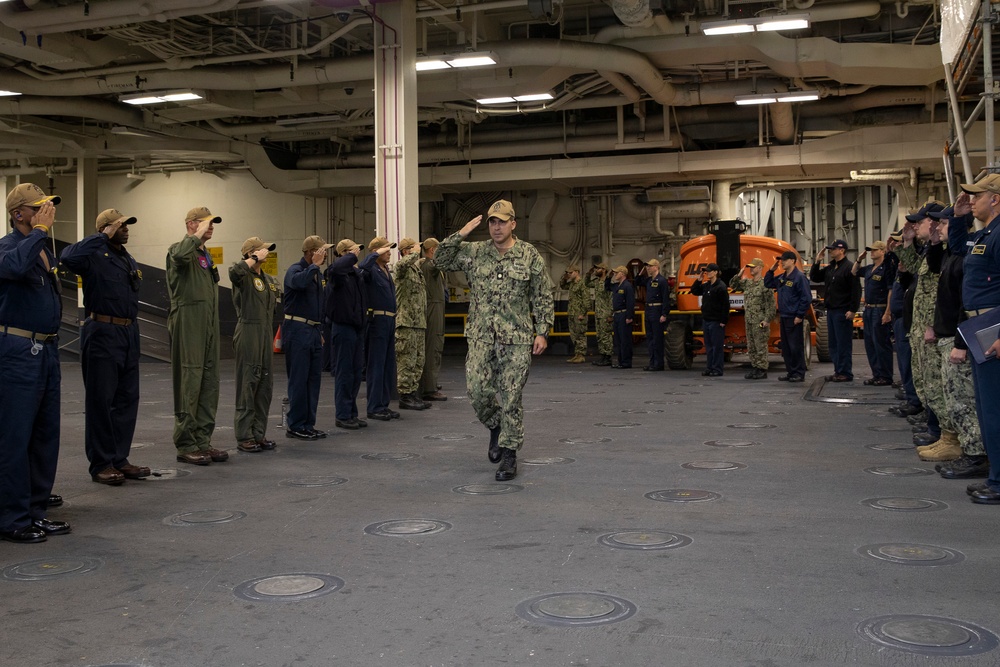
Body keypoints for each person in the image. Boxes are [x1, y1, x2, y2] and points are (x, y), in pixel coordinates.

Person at [434, 199, 554, 482]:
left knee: (511, 396)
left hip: (516, 338)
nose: (496, 227)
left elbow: (542, 294)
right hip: (481, 336)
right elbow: (439, 259)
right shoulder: (474, 252)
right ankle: (495, 425)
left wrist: (543, 330)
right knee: (476, 391)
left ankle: (510, 455)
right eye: (492, 222)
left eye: (502, 221)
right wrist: (460, 233)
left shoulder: (529, 254)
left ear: (513, 223)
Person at [0, 183, 70, 543]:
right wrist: (40, 232)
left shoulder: (43, 249)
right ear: (19, 214)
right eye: (39, 208)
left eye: (48, 206)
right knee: (15, 437)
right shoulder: (9, 247)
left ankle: (36, 512)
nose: (47, 212)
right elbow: (13, 268)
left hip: (46, 351)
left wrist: (41, 235)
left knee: (45, 436)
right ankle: (12, 517)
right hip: (16, 351)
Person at [60, 208, 147, 484]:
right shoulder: (93, 255)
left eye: (126, 224)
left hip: (128, 332)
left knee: (126, 399)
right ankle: (101, 463)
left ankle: (119, 458)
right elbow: (67, 258)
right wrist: (99, 238)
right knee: (101, 401)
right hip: (103, 332)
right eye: (120, 225)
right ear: (106, 228)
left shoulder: (127, 258)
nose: (126, 229)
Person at [922, 205, 985, 470]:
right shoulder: (951, 255)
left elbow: (965, 303)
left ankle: (976, 455)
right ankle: (956, 441)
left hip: (956, 336)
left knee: (963, 400)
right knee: (953, 398)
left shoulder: (964, 255)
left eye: (944, 225)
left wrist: (960, 341)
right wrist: (936, 241)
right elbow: (935, 266)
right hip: (946, 333)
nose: (939, 228)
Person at [952, 174, 1000, 504]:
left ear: (995, 198)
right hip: (979, 325)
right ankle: (995, 474)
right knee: (986, 408)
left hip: (994, 324)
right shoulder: (984, 233)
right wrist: (958, 219)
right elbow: (959, 251)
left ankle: (999, 481)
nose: (971, 201)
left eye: (977, 196)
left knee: (995, 408)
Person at [166, 206, 227, 466]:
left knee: (209, 381)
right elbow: (179, 256)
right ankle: (186, 443)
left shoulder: (205, 254)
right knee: (189, 381)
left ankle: (202, 440)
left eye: (213, 223)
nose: (210, 227)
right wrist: (195, 237)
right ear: (191, 224)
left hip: (209, 322)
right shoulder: (179, 248)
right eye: (205, 223)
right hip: (188, 320)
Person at [229, 237, 280, 452]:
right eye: (262, 251)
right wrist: (251, 259)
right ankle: (244, 435)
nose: (266, 254)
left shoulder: (268, 279)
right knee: (248, 383)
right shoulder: (243, 274)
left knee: (264, 384)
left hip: (265, 332)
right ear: (251, 253)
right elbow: (234, 273)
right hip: (248, 330)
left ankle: (258, 432)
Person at [283, 235, 331, 439]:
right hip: (297, 329)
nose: (326, 254)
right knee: (299, 379)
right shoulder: (296, 270)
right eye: (322, 251)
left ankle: (308, 423)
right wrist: (313, 267)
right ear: (312, 252)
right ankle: (295, 425)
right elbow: (298, 284)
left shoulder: (317, 274)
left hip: (312, 331)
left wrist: (319, 331)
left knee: (313, 380)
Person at [325, 239, 368, 430]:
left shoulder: (354, 274)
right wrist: (350, 255)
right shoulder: (337, 274)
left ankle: (351, 412)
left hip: (356, 327)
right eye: (351, 251)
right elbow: (336, 268)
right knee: (344, 372)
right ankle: (342, 415)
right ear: (343, 254)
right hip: (342, 327)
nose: (357, 253)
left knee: (356, 372)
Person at [360, 236, 400, 421]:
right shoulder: (371, 270)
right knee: (376, 365)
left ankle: (383, 404)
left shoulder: (385, 270)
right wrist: (375, 253)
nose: (389, 252)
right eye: (386, 249)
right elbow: (362, 267)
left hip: (390, 320)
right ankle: (374, 406)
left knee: (386, 364)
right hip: (377, 320)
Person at [810, 239, 861, 382]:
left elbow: (856, 291)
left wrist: (852, 310)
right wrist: (817, 261)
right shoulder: (831, 268)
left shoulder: (849, 267)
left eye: (833, 249)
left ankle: (845, 372)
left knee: (843, 343)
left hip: (843, 311)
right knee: (833, 344)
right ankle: (838, 371)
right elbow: (814, 277)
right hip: (832, 310)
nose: (830, 251)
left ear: (842, 250)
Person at [852, 240, 897, 385]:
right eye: (871, 250)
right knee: (870, 344)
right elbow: (853, 272)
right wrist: (859, 259)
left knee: (881, 343)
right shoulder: (869, 268)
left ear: (882, 251)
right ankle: (877, 374)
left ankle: (886, 375)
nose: (871, 252)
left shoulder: (887, 269)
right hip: (869, 309)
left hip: (880, 308)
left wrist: (888, 312)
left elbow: (891, 290)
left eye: (874, 250)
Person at [394, 237, 430, 410]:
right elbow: (400, 265)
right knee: (406, 360)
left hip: (418, 323)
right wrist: (414, 253)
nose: (419, 250)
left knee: (418, 360)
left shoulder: (416, 271)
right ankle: (405, 395)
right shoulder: (402, 269)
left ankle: (414, 393)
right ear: (406, 251)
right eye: (415, 248)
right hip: (406, 322)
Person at [764, 250, 811, 382]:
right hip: (784, 316)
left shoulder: (799, 278)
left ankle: (798, 373)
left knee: (795, 346)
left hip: (794, 317)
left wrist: (800, 315)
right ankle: (791, 372)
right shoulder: (782, 278)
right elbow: (767, 283)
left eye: (784, 260)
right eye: (781, 260)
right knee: (787, 347)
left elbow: (806, 298)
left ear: (792, 261)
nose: (782, 262)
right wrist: (771, 270)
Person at [729, 257, 776, 379]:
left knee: (760, 345)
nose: (751, 269)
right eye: (750, 267)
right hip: (749, 320)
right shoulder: (748, 283)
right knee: (751, 345)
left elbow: (770, 305)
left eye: (753, 267)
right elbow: (733, 285)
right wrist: (739, 274)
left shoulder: (765, 284)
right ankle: (755, 367)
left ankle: (762, 369)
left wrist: (767, 320)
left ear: (760, 268)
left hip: (760, 320)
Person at [419, 237, 448, 401]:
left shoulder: (428, 265)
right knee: (433, 347)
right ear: (432, 250)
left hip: (436, 305)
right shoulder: (429, 265)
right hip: (433, 307)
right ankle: (429, 388)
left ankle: (430, 382)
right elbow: (439, 263)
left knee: (435, 346)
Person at [690, 262, 730, 376]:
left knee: (716, 346)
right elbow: (695, 291)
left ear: (716, 272)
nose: (707, 273)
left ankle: (717, 369)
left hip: (716, 321)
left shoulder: (721, 287)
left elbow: (725, 305)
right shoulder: (707, 285)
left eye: (709, 271)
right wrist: (699, 280)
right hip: (706, 320)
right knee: (709, 346)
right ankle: (710, 367)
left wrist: (723, 321)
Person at [635, 258, 670, 371]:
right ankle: (652, 362)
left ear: (656, 267)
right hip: (649, 309)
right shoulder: (649, 280)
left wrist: (664, 314)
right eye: (647, 266)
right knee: (650, 338)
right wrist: (641, 271)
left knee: (657, 338)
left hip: (657, 309)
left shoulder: (662, 281)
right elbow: (637, 281)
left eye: (650, 266)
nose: (648, 268)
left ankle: (658, 363)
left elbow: (666, 298)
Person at [606, 265, 634, 369]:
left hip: (624, 314)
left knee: (625, 339)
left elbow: (630, 302)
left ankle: (626, 362)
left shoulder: (627, 286)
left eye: (617, 273)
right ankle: (620, 361)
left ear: (622, 274)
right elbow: (607, 287)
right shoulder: (617, 286)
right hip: (617, 314)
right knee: (618, 339)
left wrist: (629, 316)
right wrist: (608, 277)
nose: (615, 275)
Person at [559, 264, 589, 363]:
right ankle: (577, 354)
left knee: (580, 334)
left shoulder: (582, 283)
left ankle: (581, 354)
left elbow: (586, 300)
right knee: (574, 335)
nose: (569, 274)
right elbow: (563, 286)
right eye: (568, 273)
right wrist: (564, 277)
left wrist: (583, 313)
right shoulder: (572, 283)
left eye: (571, 273)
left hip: (579, 312)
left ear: (577, 272)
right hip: (572, 312)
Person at [586, 263, 613, 366]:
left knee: (606, 336)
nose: (596, 270)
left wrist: (611, 314)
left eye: (598, 268)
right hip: (598, 313)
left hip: (606, 313)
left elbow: (611, 298)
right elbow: (587, 283)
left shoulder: (608, 282)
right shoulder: (597, 282)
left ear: (604, 270)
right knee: (600, 336)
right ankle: (602, 355)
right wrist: (589, 273)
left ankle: (608, 356)